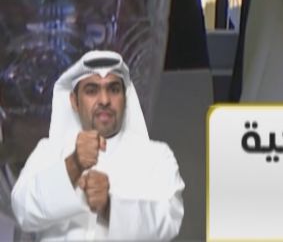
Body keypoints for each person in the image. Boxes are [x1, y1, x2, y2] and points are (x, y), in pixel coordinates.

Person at [9, 51, 184, 240]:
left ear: (125, 99)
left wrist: (109, 207)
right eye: (92, 90)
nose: (104, 100)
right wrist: (73, 165)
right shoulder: (48, 151)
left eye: (113, 89)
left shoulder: (156, 156)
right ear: (74, 101)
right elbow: (22, 212)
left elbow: (169, 222)